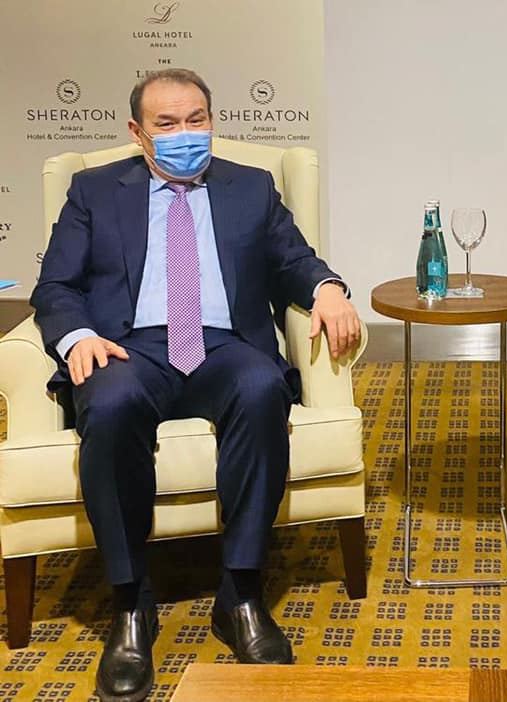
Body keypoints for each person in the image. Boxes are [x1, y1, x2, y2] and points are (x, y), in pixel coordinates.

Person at [31, 68, 361, 702]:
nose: (185, 133)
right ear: (137, 132)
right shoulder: (94, 190)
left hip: (223, 343)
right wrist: (78, 337)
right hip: (130, 346)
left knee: (263, 389)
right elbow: (57, 286)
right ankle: (131, 603)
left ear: (212, 120)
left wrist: (326, 288)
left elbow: (293, 258)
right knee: (112, 401)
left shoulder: (251, 186)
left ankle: (240, 594)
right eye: (167, 123)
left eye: (196, 120)